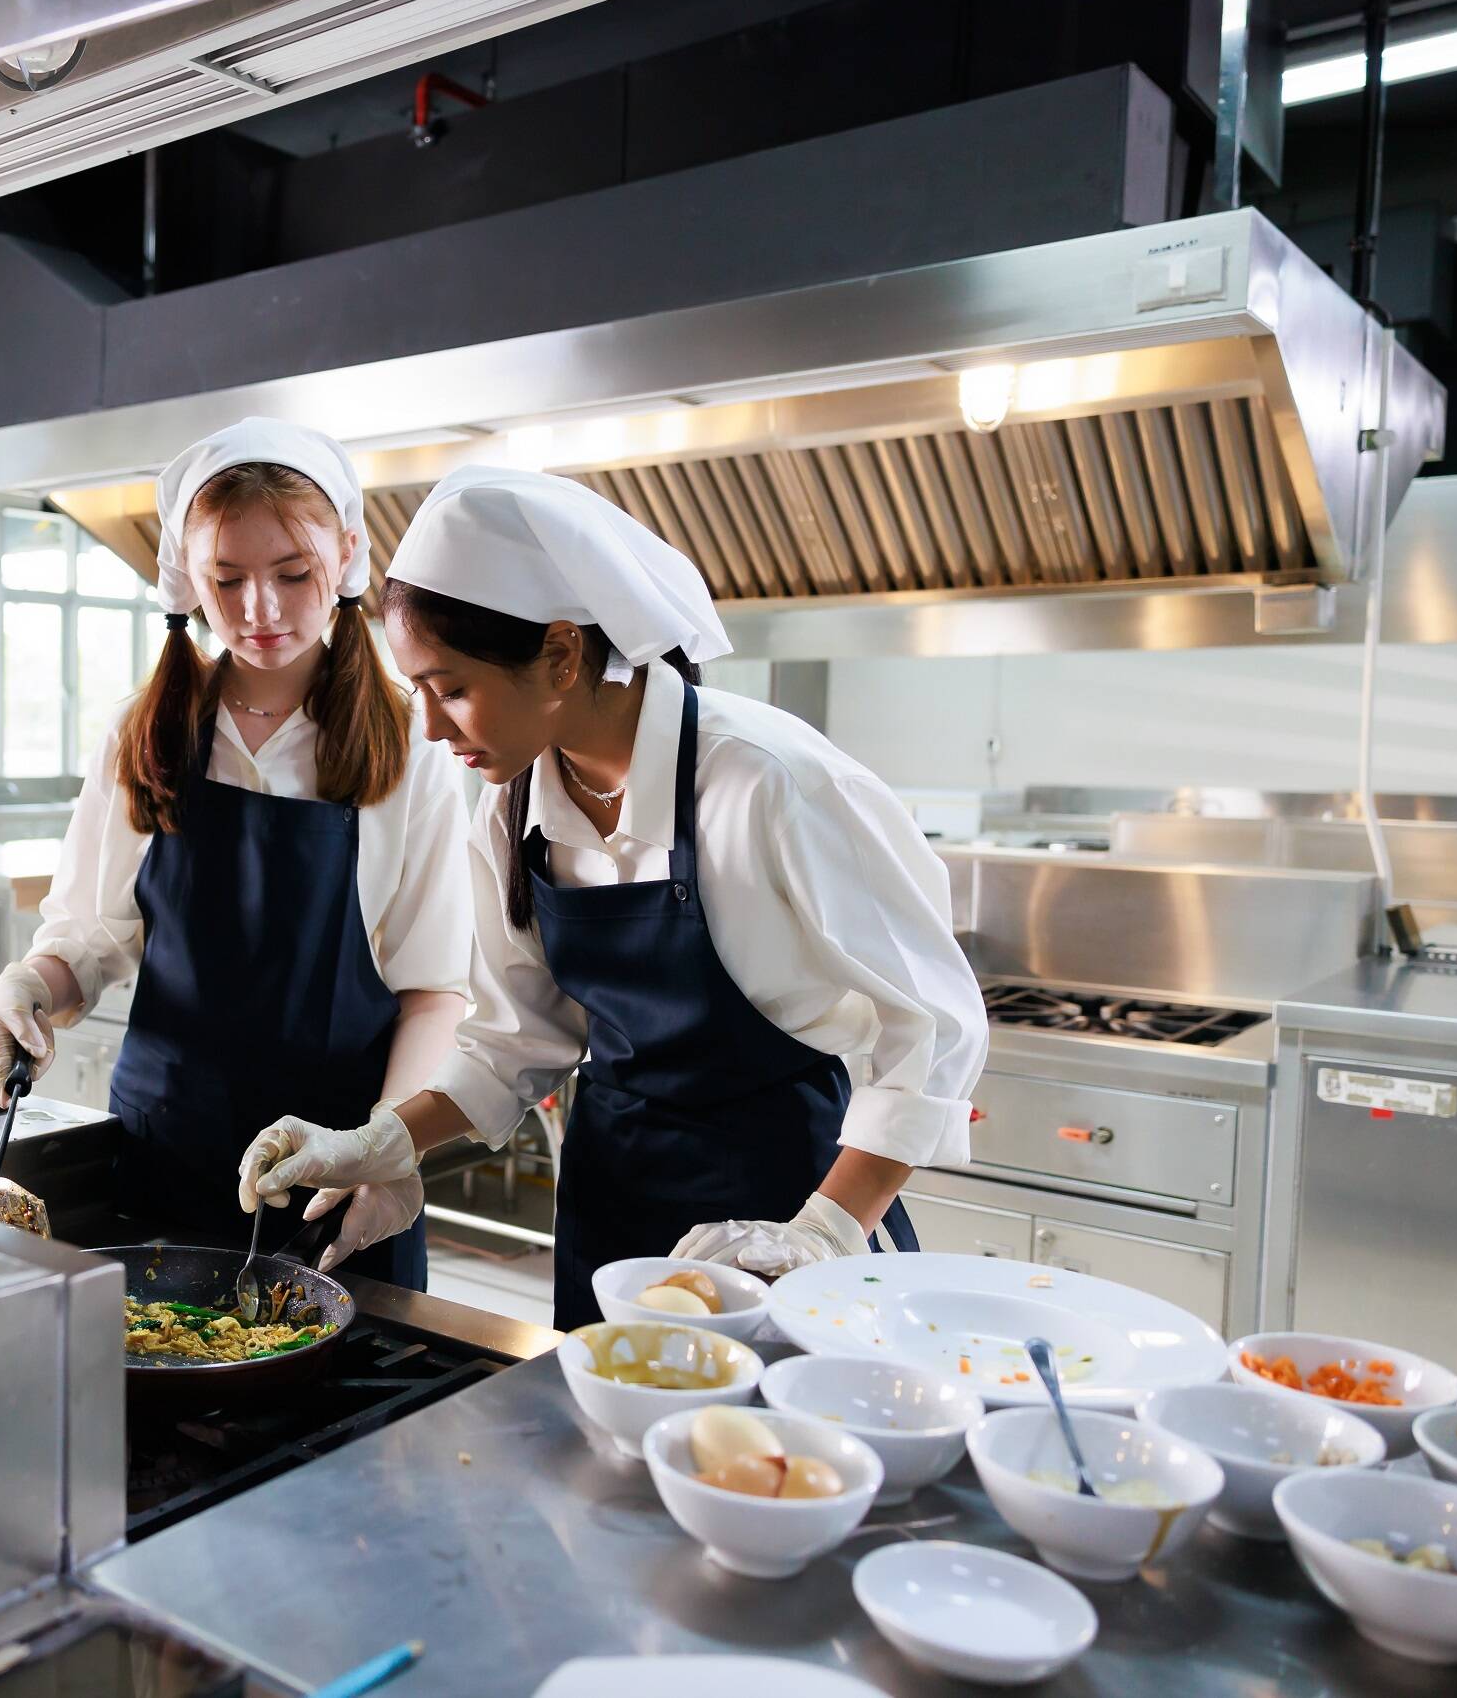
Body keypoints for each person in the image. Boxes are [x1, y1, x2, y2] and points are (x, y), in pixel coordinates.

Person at [237, 464, 987, 1328]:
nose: (432, 728)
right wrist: (381, 1141)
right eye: (420, 693)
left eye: (452, 688)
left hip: (794, 1206)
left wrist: (823, 1229)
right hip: (614, 1219)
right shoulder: (512, 809)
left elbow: (937, 1027)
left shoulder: (769, 783)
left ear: (559, 654)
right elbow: (513, 1042)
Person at [0, 419, 471, 1286]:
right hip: (168, 1155)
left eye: (292, 574)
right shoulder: (153, 729)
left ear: (348, 554)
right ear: (187, 575)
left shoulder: (408, 738)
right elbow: (93, 938)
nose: (260, 611)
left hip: (333, 1173)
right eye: (227, 579)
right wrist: (31, 988)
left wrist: (386, 1146)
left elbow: (432, 990)